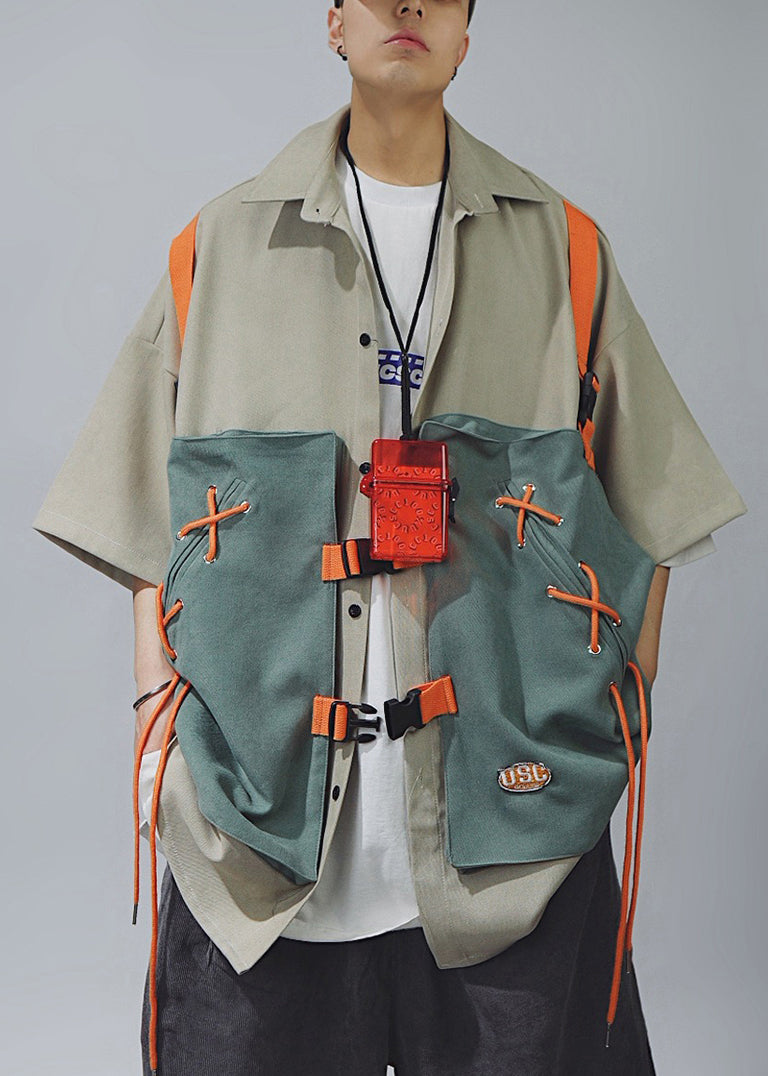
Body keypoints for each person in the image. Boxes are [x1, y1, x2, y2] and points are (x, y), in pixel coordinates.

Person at [31, 1, 747, 1074]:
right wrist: (153, 713)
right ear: (333, 23)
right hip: (255, 853)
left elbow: (659, 502)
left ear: (468, 34)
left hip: (514, 852)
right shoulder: (220, 247)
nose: (406, 4)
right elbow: (136, 504)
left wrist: (617, 704)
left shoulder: (563, 249)